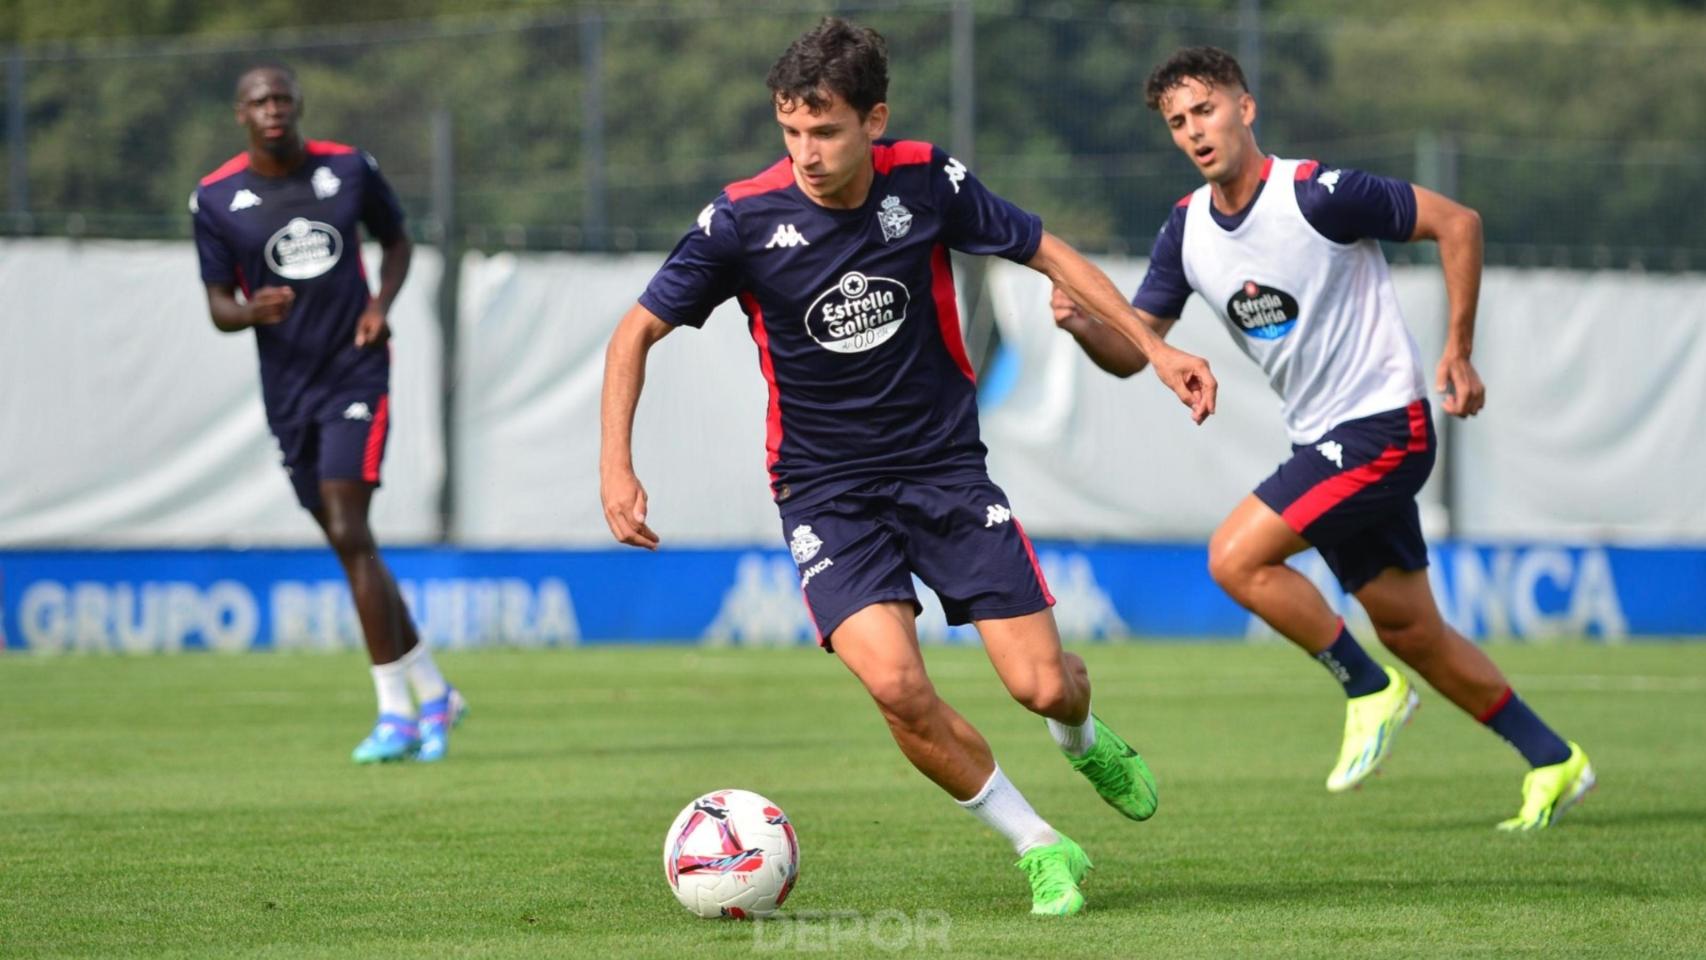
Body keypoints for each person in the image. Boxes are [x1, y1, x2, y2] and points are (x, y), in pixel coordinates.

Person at [601, 19, 1218, 915]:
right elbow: (635, 333)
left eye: (826, 130)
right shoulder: (741, 219)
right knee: (894, 683)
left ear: (873, 120)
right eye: (791, 131)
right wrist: (616, 467)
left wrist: (1156, 354)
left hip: (944, 473)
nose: (807, 153)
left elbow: (1044, 250)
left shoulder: (928, 182)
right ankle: (1040, 846)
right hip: (825, 493)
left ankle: (1082, 738)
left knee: (1043, 684)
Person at [1050, 46, 1592, 830]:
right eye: (1178, 122)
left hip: (1385, 426)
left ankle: (1367, 687)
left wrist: (1458, 350)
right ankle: (1554, 759)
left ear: (1246, 107)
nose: (1195, 131)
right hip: (1326, 442)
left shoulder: (1317, 193)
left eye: (1206, 110)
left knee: (1234, 557)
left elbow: (1458, 223)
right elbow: (1138, 354)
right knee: (1414, 630)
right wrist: (1083, 326)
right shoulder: (1187, 230)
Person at [191, 64, 465, 764]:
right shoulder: (218, 198)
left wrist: (380, 306)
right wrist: (250, 310)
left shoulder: (348, 170)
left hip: (356, 372)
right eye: (259, 100)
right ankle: (435, 691)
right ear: (240, 114)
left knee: (350, 527)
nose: (273, 109)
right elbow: (219, 304)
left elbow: (397, 242)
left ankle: (394, 714)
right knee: (353, 547)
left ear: (298, 105)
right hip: (288, 390)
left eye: (282, 97)